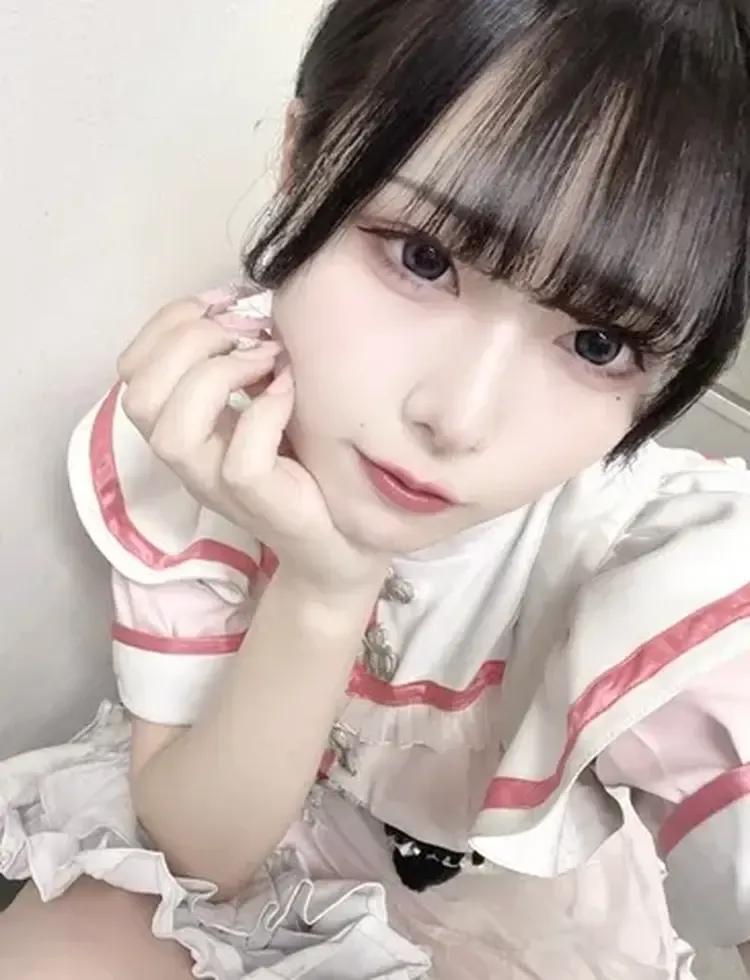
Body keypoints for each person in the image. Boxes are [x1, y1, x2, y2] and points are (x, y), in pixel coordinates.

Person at [2, 0, 750, 976]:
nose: (458, 417)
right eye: (424, 257)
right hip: (258, 827)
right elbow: (201, 854)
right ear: (303, 157)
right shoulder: (204, 421)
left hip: (508, 912)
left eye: (598, 342)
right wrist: (326, 586)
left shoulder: (648, 561)